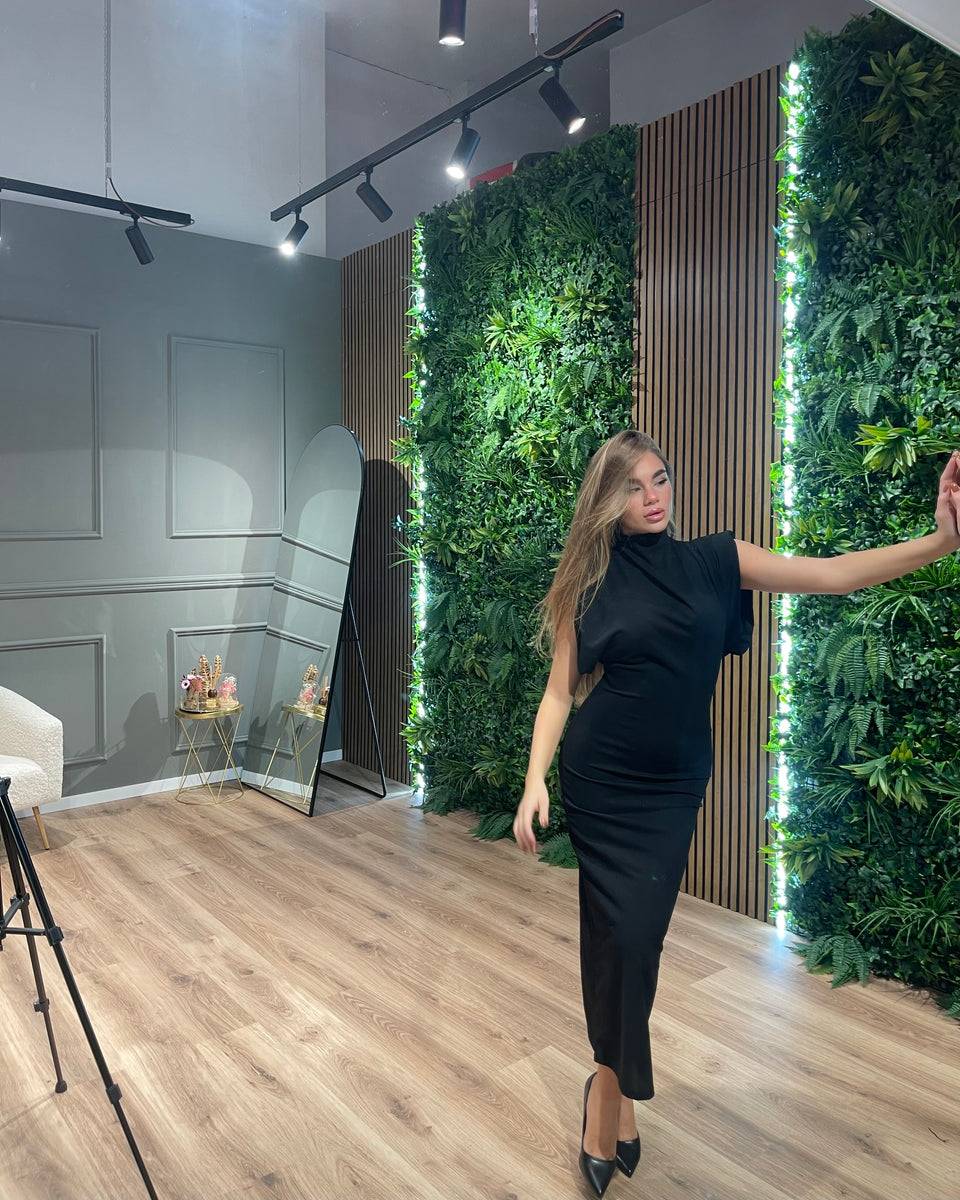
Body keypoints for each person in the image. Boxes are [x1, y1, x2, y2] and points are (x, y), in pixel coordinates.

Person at [513, 429, 960, 1196]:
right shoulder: (589, 584)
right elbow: (560, 691)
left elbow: (832, 576)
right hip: (602, 782)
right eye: (633, 487)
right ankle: (610, 1100)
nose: (652, 497)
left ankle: (606, 1090)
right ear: (608, 500)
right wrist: (534, 781)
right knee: (620, 943)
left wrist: (943, 541)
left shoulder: (716, 560)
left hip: (671, 789)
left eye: (660, 479)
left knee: (639, 943)